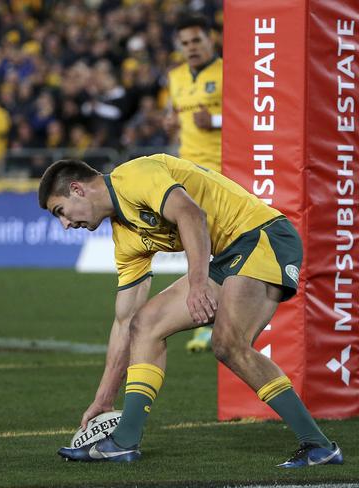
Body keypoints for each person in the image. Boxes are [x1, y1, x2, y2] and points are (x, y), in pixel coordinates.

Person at [38, 155, 342, 467]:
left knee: (229, 344)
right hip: (227, 256)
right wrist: (104, 397)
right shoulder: (125, 237)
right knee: (145, 324)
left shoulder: (135, 176)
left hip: (262, 236)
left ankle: (319, 446)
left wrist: (199, 283)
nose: (65, 224)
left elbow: (191, 213)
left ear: (77, 189)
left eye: (60, 211)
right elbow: (124, 320)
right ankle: (124, 441)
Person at [164, 13, 223, 353]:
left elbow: (256, 113)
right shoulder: (175, 78)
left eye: (197, 41)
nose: (191, 48)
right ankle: (208, 316)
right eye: (185, 43)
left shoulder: (230, 71)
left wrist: (214, 119)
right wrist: (172, 122)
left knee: (217, 247)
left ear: (210, 40)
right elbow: (177, 116)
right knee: (201, 247)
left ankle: (213, 320)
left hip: (223, 173)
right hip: (189, 173)